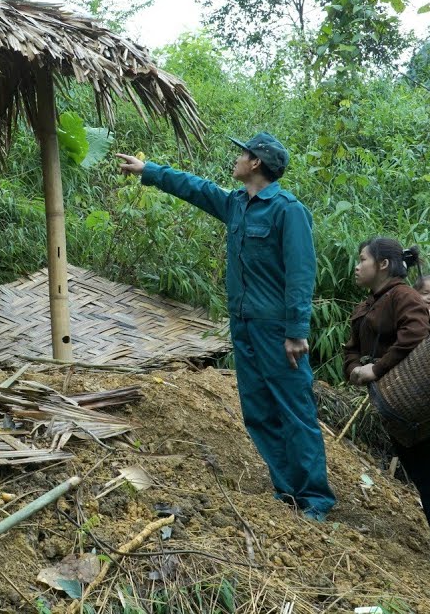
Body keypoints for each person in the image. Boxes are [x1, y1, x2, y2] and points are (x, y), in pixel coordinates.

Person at [115, 132, 336, 521]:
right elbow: (196, 189)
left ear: (256, 164)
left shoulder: (288, 210)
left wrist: (296, 331)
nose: (236, 159)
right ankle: (286, 491)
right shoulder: (237, 204)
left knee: (294, 408)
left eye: (243, 154)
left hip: (276, 329)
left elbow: (302, 273)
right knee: (257, 410)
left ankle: (315, 498)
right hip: (244, 325)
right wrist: (149, 171)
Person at [344, 238, 430, 576]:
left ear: (383, 264)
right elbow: (351, 346)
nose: (357, 265)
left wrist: (376, 368)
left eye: (362, 258)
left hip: (428, 398)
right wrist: (354, 368)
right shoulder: (368, 304)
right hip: (396, 404)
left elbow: (414, 335)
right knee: (424, 479)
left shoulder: (404, 296)